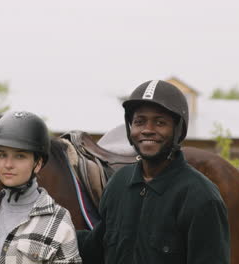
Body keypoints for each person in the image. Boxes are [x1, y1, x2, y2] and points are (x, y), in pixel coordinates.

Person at [77, 80, 230, 263]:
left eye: (160, 122)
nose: (148, 130)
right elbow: (97, 247)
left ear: (177, 129)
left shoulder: (202, 197)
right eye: (139, 122)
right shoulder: (118, 184)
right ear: (130, 128)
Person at [0, 111, 82, 264]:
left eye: (20, 156)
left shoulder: (59, 221)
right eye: (2, 155)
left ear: (38, 164)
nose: (8, 164)